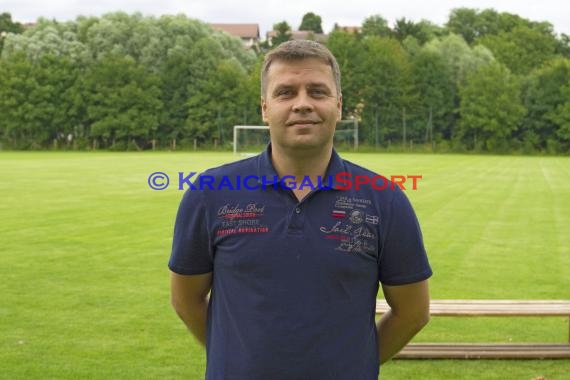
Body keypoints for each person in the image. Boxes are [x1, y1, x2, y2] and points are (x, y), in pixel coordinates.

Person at [169, 40, 432, 379]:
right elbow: (186, 300)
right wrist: (233, 357)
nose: (303, 104)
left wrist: (355, 364)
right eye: (286, 92)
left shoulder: (384, 199)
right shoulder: (210, 193)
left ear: (339, 106)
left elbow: (412, 313)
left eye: (318, 92)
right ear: (265, 108)